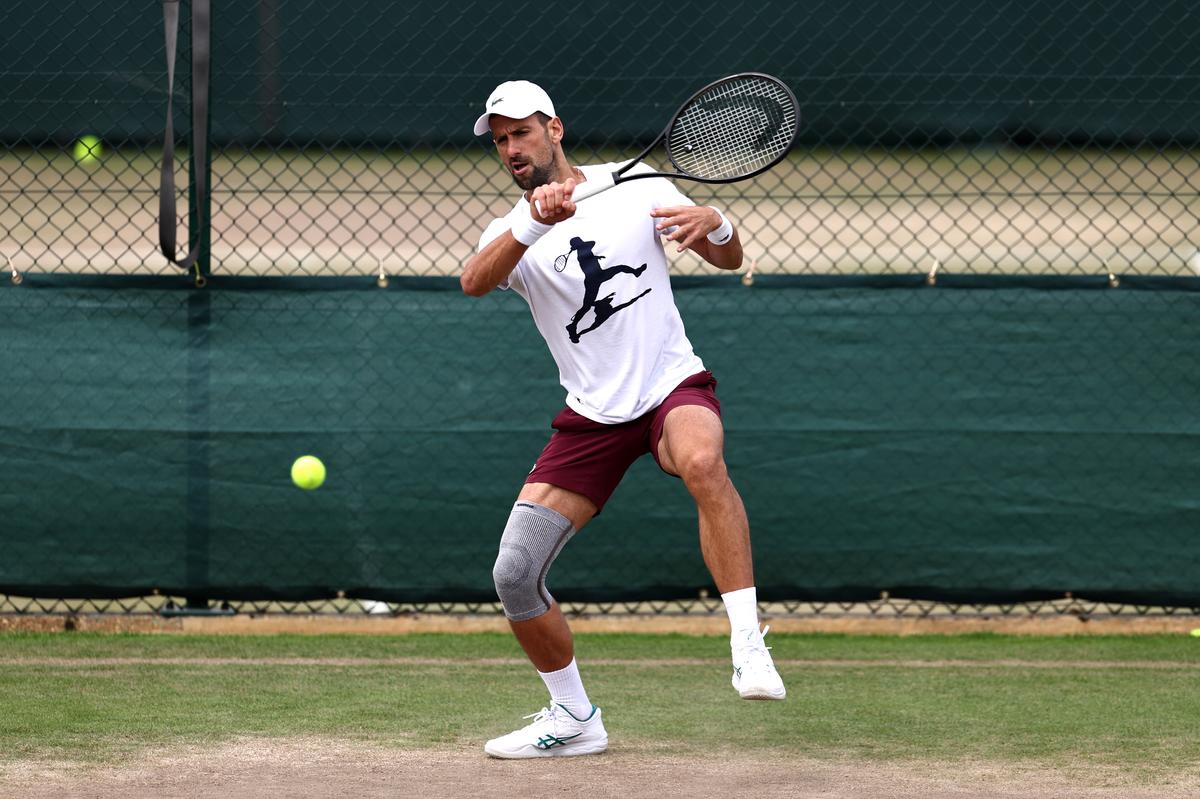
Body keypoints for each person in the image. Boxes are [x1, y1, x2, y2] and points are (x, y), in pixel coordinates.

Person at [462, 80, 785, 760]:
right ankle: (575, 716)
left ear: (555, 127)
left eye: (520, 132)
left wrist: (717, 224)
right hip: (592, 417)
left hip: (670, 388)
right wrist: (532, 223)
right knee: (515, 572)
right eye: (499, 140)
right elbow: (474, 281)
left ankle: (748, 644)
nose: (511, 149)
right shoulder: (509, 231)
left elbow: (727, 257)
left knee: (701, 460)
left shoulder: (635, 190)